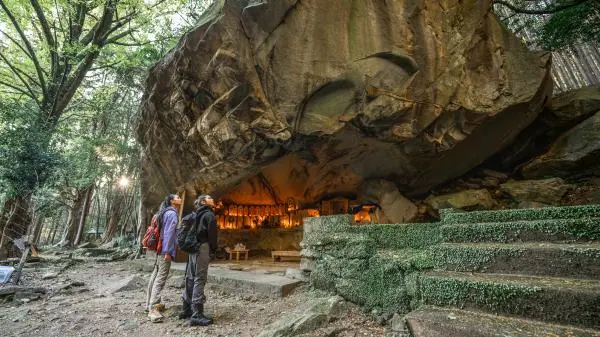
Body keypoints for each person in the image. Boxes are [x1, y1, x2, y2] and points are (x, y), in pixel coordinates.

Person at [179, 194, 218, 326]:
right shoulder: (209, 215)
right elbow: (212, 236)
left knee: (190, 277)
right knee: (200, 279)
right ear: (203, 202)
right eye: (209, 198)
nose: (212, 199)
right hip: (202, 247)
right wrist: (214, 250)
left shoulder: (196, 214)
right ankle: (197, 313)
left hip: (192, 248)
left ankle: (187, 308)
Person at [146, 193, 181, 323]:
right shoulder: (172, 214)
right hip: (164, 250)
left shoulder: (163, 212)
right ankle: (153, 308)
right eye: (177, 197)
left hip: (159, 249)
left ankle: (148, 304)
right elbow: (169, 234)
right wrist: (168, 251)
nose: (179, 198)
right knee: (161, 277)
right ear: (172, 201)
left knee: (155, 275)